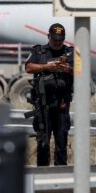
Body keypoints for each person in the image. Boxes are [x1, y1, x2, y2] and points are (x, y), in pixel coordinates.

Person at [25, 23, 74, 166]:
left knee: (61, 142)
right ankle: (42, 175)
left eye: (60, 40)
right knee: (43, 142)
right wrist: (47, 67)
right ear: (48, 37)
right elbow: (28, 67)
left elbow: (81, 70)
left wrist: (68, 69)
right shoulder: (39, 51)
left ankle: (60, 176)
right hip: (43, 105)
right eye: (55, 40)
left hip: (62, 104)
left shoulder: (71, 52)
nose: (58, 43)